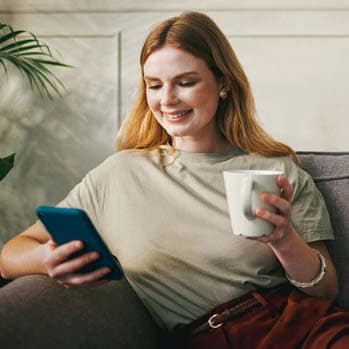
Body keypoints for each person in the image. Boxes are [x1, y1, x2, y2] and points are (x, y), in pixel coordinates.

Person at [0, 11, 348, 349]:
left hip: (304, 326)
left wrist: (284, 239)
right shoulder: (120, 173)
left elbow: (326, 289)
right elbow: (10, 253)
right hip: (208, 336)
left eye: (185, 82)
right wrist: (45, 261)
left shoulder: (277, 170)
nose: (167, 99)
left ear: (223, 83)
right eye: (155, 85)